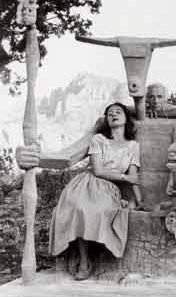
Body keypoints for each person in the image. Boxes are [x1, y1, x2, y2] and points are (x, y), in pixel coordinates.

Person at [18, 102, 141, 280]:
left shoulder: (133, 146)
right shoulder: (99, 140)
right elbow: (98, 170)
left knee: (101, 211)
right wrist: (123, 177)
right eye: (110, 113)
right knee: (79, 208)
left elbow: (134, 177)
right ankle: (84, 260)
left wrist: (138, 199)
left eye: (118, 111)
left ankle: (97, 256)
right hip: (88, 183)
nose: (114, 114)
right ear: (106, 120)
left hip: (110, 189)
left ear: (126, 118)